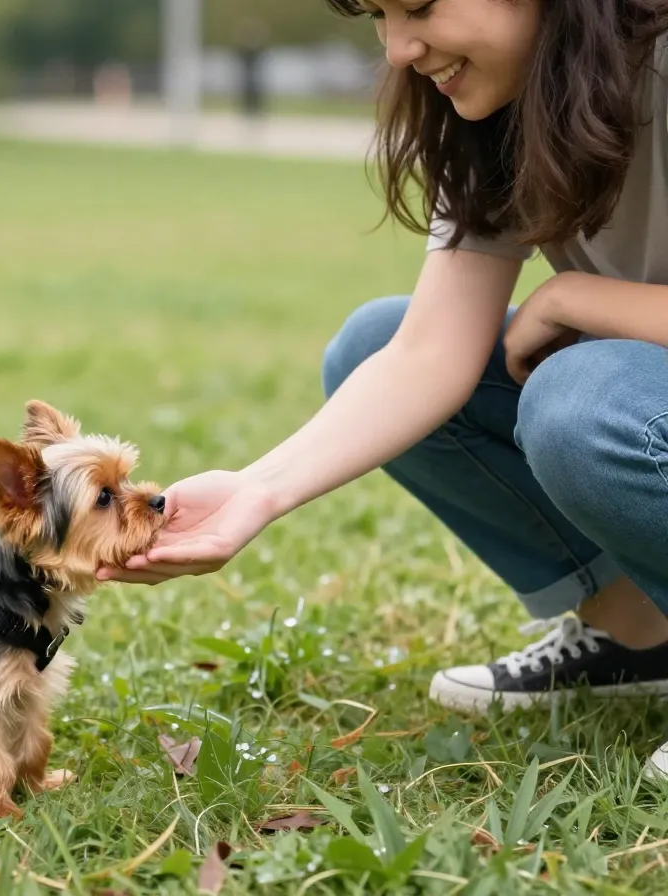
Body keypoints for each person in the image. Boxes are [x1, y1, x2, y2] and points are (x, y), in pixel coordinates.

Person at [99, 0, 668, 776]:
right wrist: (256, 491)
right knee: (373, 344)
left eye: (422, 6)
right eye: (379, 14)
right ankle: (642, 633)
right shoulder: (512, 104)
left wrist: (578, 300)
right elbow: (429, 352)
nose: (399, 49)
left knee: (582, 399)